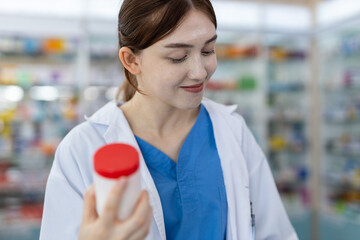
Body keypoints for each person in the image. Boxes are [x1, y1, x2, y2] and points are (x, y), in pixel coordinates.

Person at [40, 0, 298, 239]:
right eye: (178, 57)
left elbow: (274, 233)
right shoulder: (82, 149)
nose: (199, 72)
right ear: (131, 61)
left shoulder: (232, 130)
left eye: (208, 50)